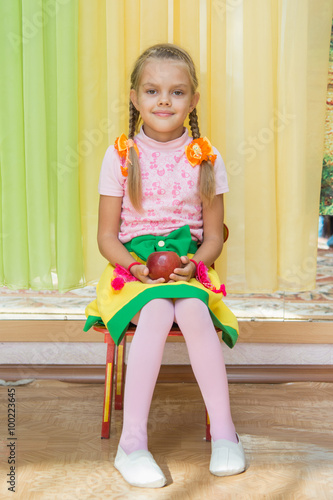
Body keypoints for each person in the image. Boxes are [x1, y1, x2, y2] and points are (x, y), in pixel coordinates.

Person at [84, 43, 245, 488]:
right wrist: (134, 268)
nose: (163, 101)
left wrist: (194, 265)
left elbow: (213, 237)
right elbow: (105, 237)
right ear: (135, 97)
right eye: (152, 91)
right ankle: (132, 444)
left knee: (192, 310)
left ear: (193, 101)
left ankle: (226, 433)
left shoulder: (205, 157)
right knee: (156, 310)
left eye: (177, 93)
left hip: (188, 266)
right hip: (131, 268)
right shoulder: (120, 156)